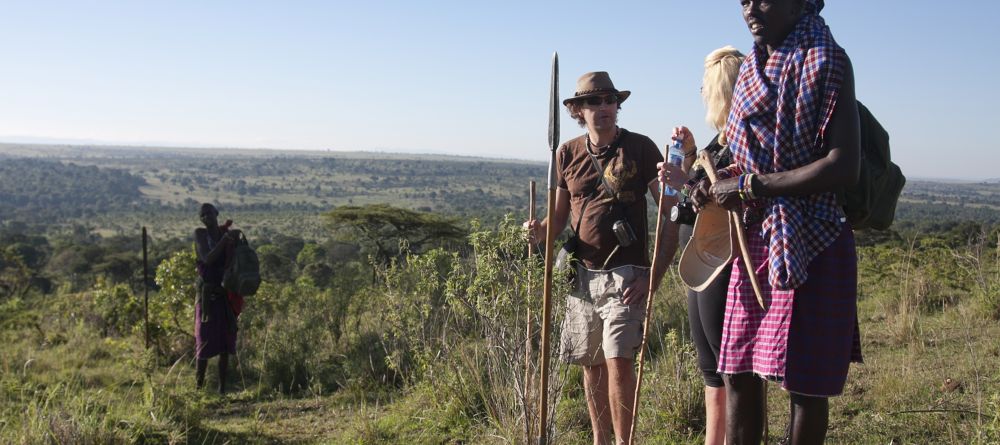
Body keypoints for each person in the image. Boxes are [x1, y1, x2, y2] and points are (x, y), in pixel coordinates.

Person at [662, 1, 863, 443]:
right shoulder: (752, 70)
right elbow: (750, 159)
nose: (751, 8)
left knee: (805, 385)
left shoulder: (826, 60)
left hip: (814, 235)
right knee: (736, 371)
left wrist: (752, 188)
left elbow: (844, 165)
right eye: (744, 0)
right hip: (756, 239)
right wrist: (711, 187)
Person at [525, 71, 678, 445]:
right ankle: (601, 440)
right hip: (582, 275)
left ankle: (624, 442)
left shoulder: (641, 148)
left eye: (610, 100)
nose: (605, 108)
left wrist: (651, 279)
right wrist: (539, 231)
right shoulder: (567, 153)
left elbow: (670, 212)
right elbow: (559, 218)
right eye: (595, 101)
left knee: (619, 362)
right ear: (579, 109)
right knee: (591, 365)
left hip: (627, 274)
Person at [659, 45, 745, 445]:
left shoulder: (746, 139)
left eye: (705, 88)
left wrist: (686, 181)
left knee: (728, 369)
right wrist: (692, 156)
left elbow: (720, 195)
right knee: (711, 368)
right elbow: (699, 198)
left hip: (725, 263)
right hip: (705, 261)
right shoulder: (724, 138)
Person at [193, 203, 242, 394]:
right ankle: (198, 389)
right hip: (206, 296)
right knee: (203, 342)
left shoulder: (226, 236)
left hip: (224, 294)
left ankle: (222, 390)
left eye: (209, 214)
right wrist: (225, 240)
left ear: (216, 214)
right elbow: (207, 258)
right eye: (202, 215)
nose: (206, 218)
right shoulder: (200, 235)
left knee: (225, 344)